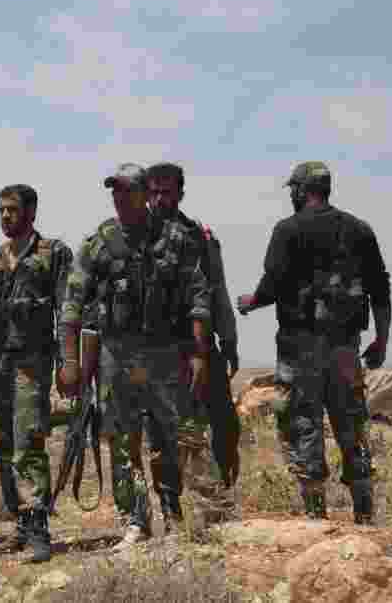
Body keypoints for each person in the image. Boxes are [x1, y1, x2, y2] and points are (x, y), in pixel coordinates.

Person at [59, 164, 212, 550]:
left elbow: (198, 296)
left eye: (127, 191)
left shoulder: (174, 238)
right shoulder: (100, 242)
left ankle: (176, 513)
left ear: (145, 194)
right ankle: (135, 521)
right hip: (116, 355)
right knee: (123, 441)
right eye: (115, 192)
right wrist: (71, 362)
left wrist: (199, 353)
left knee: (172, 435)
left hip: (166, 355)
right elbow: (72, 306)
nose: (119, 198)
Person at [237, 161, 391, 524]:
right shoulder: (359, 229)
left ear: (301, 191)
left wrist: (250, 302)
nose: (291, 194)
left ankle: (316, 516)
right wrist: (382, 339)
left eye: (293, 189)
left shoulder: (287, 230)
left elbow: (271, 285)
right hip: (345, 347)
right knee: (351, 423)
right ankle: (364, 513)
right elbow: (381, 289)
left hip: (299, 346)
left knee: (301, 421)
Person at [0, 184, 73, 563]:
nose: (5, 216)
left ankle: (37, 530)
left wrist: (69, 361)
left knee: (28, 439)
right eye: (1, 210)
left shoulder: (53, 253)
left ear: (31, 211)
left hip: (31, 362)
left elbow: (67, 310)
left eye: (12, 210)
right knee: (0, 444)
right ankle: (19, 522)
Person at [141, 162, 241, 527]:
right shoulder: (137, 235)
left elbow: (218, 289)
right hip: (157, 350)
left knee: (224, 425)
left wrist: (228, 339)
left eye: (167, 191)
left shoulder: (199, 235)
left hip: (200, 344)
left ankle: (223, 500)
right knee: (164, 432)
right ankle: (171, 509)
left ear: (181, 193)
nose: (160, 199)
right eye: (153, 191)